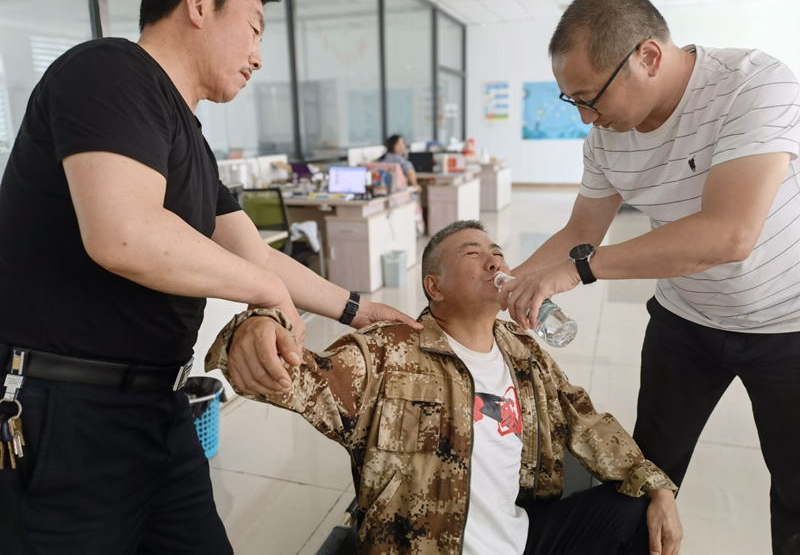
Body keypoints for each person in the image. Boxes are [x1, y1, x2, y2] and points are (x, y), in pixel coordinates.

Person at [0, 0, 419, 552]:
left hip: (159, 407)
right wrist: (265, 294)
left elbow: (258, 257)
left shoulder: (189, 138)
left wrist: (357, 309)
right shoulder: (109, 71)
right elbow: (123, 233)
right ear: (199, 4)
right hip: (67, 412)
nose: (258, 56)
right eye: (253, 29)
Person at [499, 0, 800, 555]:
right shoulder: (605, 139)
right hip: (685, 322)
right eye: (572, 101)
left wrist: (579, 272)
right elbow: (580, 232)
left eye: (590, 97)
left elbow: (730, 233)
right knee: (645, 474)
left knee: (795, 487)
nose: (586, 117)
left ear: (649, 57)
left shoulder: (753, 84)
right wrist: (503, 286)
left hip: (788, 325)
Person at [207, 220, 683, 555]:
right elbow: (291, 375)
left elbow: (584, 419)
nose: (494, 260)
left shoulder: (522, 350)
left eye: (497, 251)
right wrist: (258, 323)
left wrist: (657, 486)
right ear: (435, 287)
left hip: (520, 539)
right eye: (473, 253)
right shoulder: (390, 352)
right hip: (425, 546)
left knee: (636, 513)